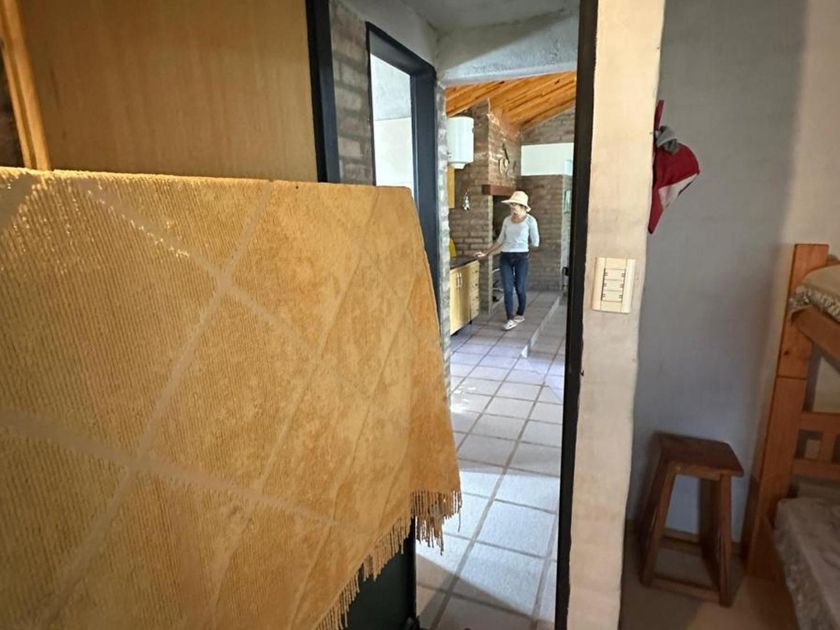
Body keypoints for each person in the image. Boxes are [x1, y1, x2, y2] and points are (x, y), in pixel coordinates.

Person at [476, 191, 539, 331]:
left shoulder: (530, 221)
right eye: (511, 204)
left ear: (522, 206)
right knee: (508, 288)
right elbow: (500, 241)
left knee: (520, 287)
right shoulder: (507, 220)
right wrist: (486, 253)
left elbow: (535, 242)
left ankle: (520, 314)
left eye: (514, 204)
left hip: (521, 258)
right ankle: (510, 318)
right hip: (505, 257)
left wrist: (521, 247)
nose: (512, 207)